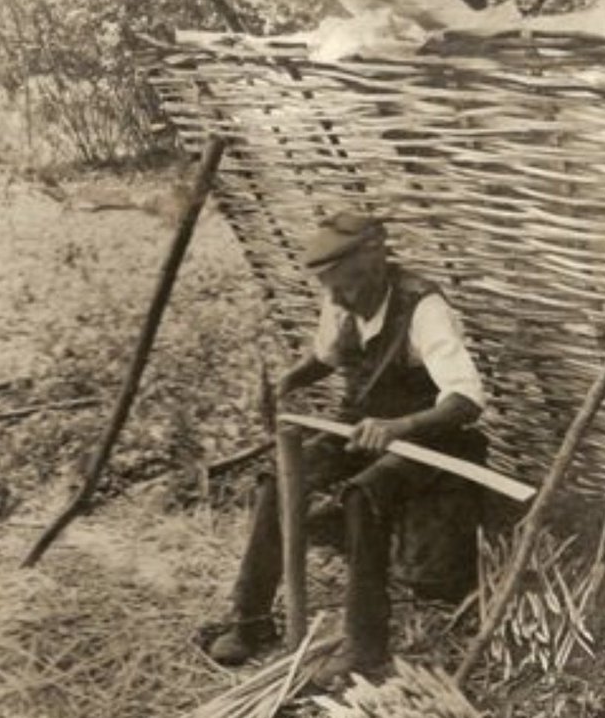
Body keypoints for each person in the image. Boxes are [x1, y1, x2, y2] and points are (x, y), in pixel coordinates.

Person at [207, 209, 486, 682]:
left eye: (345, 285)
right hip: (359, 426)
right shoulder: (341, 297)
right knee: (280, 483)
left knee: (364, 495)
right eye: (329, 287)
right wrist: (288, 381)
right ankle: (251, 622)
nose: (335, 298)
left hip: (430, 438)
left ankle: (366, 646)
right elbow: (327, 355)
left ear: (375, 263)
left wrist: (400, 426)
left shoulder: (422, 306)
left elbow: (466, 401)